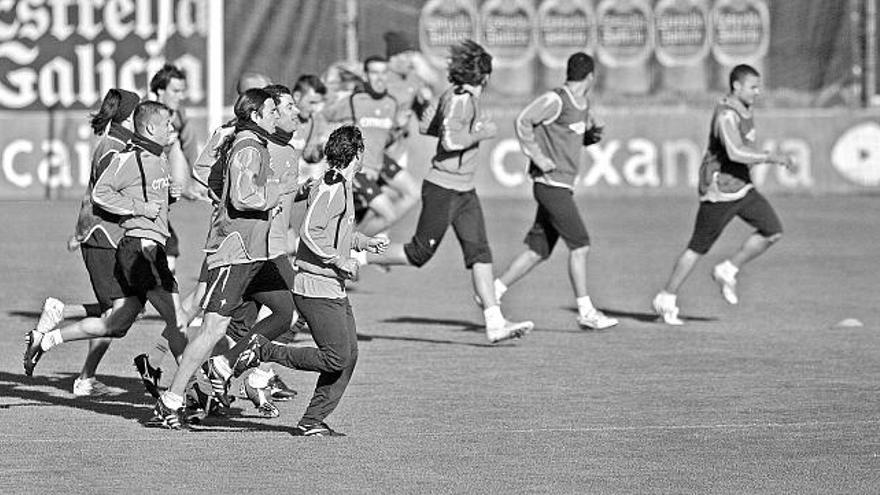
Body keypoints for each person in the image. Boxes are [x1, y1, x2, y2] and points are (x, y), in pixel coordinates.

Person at [208, 125, 389, 437]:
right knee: (336, 356)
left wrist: (361, 241)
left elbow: (335, 231)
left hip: (330, 286)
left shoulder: (338, 184)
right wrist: (337, 259)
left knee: (348, 356)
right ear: (357, 154)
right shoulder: (333, 185)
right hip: (316, 287)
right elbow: (310, 233)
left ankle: (312, 421)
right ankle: (265, 352)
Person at [365, 40, 533, 344]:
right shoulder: (461, 101)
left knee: (480, 253)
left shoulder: (453, 96)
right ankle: (355, 255)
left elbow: (428, 126)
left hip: (465, 191)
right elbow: (452, 142)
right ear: (484, 76)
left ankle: (494, 322)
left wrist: (446, 116)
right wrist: (482, 133)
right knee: (418, 253)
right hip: (444, 188)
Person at [149, 88, 286, 430]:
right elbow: (243, 197)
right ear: (256, 115)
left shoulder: (247, 141)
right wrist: (275, 192)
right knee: (212, 328)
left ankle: (224, 366)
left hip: (256, 251)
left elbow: (207, 172)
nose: (276, 115)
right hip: (235, 250)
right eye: (272, 110)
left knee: (286, 309)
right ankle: (173, 398)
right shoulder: (248, 146)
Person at [23, 101, 188, 380]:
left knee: (118, 321)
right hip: (141, 248)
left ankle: (47, 341)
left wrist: (169, 193)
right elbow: (101, 194)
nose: (171, 129)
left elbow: (148, 194)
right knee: (177, 318)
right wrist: (139, 208)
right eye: (167, 124)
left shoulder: (156, 156)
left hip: (144, 246)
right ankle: (185, 392)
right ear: (149, 127)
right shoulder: (128, 156)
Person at [652, 64, 796, 325]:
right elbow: (735, 152)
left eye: (758, 86)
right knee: (697, 248)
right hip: (719, 191)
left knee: (772, 230)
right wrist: (771, 157)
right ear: (736, 86)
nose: (757, 92)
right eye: (753, 87)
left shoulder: (745, 109)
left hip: (741, 186)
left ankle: (727, 269)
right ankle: (666, 296)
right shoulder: (726, 115)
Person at [493, 53, 618, 331]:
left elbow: (571, 138)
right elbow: (523, 120)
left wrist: (592, 135)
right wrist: (537, 157)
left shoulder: (583, 105)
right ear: (590, 77)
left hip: (561, 186)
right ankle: (586, 310)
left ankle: (493, 291)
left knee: (538, 250)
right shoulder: (556, 99)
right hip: (551, 186)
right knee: (581, 245)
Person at [30, 89, 141, 396]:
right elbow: (105, 197)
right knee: (120, 314)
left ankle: (61, 316)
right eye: (140, 111)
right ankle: (54, 344)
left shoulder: (121, 144)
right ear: (131, 117)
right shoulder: (112, 148)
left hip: (108, 237)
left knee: (124, 308)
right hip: (104, 237)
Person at [323, 56, 419, 237]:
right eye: (374, 73)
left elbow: (386, 139)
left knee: (413, 193)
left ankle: (356, 237)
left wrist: (398, 127)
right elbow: (327, 114)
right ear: (366, 76)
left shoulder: (391, 102)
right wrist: (331, 87)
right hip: (359, 166)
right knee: (387, 214)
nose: (380, 77)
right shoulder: (355, 101)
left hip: (379, 162)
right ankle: (352, 247)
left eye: (384, 73)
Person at [149, 64, 193, 271]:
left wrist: (193, 184)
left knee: (167, 242)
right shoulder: (144, 114)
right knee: (163, 241)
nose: (180, 96)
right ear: (160, 90)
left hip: (160, 189)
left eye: (182, 91)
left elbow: (187, 149)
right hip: (141, 187)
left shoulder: (179, 116)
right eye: (175, 91)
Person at [383, 30, 436, 170]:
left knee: (398, 191)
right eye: (406, 56)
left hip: (398, 148)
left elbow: (425, 118)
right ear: (393, 57)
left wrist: (426, 103)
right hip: (375, 148)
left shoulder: (414, 80)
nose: (411, 61)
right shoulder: (379, 80)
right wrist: (394, 122)